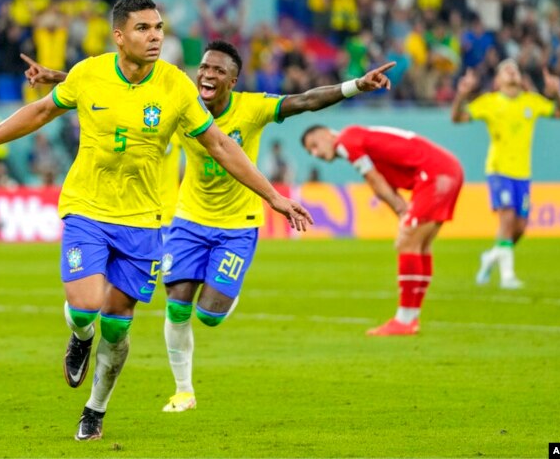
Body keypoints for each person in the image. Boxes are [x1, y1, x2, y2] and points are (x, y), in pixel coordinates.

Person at [0, 0, 314, 441]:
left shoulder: (176, 86)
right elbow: (40, 110)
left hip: (144, 220)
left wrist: (274, 197)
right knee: (86, 308)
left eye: (158, 29)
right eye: (143, 29)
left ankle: (95, 409)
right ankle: (79, 335)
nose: (154, 37)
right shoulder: (89, 73)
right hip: (87, 209)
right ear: (119, 36)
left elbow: (222, 145)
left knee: (117, 326)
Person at [23, 41, 394, 412]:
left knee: (209, 315)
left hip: (238, 224)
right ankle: (183, 390)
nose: (207, 75)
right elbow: (119, 83)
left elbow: (306, 100)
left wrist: (356, 86)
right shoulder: (183, 100)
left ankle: (226, 292)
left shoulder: (253, 108)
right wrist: (55, 78)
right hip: (189, 220)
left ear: (232, 81)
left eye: (218, 71)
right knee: (177, 307)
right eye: (204, 68)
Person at [301, 123, 464, 336]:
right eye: (310, 152)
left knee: (406, 243)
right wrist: (402, 211)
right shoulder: (359, 138)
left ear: (326, 134)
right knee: (420, 245)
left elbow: (374, 180)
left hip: (434, 174)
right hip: (445, 169)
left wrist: (401, 211)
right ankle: (411, 318)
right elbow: (384, 180)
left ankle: (404, 320)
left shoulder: (345, 142)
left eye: (314, 145)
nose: (316, 154)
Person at [450, 60, 560, 288]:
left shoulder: (531, 102)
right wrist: (461, 95)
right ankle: (508, 276)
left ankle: (491, 257)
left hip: (523, 173)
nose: (512, 71)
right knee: (506, 220)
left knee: (520, 227)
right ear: (497, 81)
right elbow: (457, 118)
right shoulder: (489, 103)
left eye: (515, 68)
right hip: (498, 170)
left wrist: (558, 93)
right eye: (506, 69)